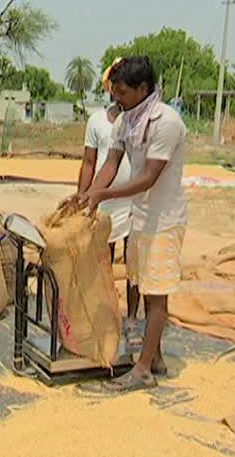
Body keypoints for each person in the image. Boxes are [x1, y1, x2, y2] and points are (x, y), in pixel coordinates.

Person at [71, 55, 188, 392]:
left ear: (142, 89)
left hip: (164, 218)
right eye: (114, 92)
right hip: (141, 216)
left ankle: (143, 370)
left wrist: (101, 196)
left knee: (157, 294)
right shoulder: (124, 122)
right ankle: (155, 357)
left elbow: (149, 177)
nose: (116, 99)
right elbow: (109, 164)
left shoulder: (166, 122)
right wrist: (87, 195)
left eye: (122, 93)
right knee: (146, 287)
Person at [78, 101, 142, 347]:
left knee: (133, 263)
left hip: (135, 201)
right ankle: (106, 315)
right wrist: (84, 195)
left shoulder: (141, 122)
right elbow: (90, 164)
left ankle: (132, 320)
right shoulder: (96, 121)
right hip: (105, 202)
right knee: (102, 261)